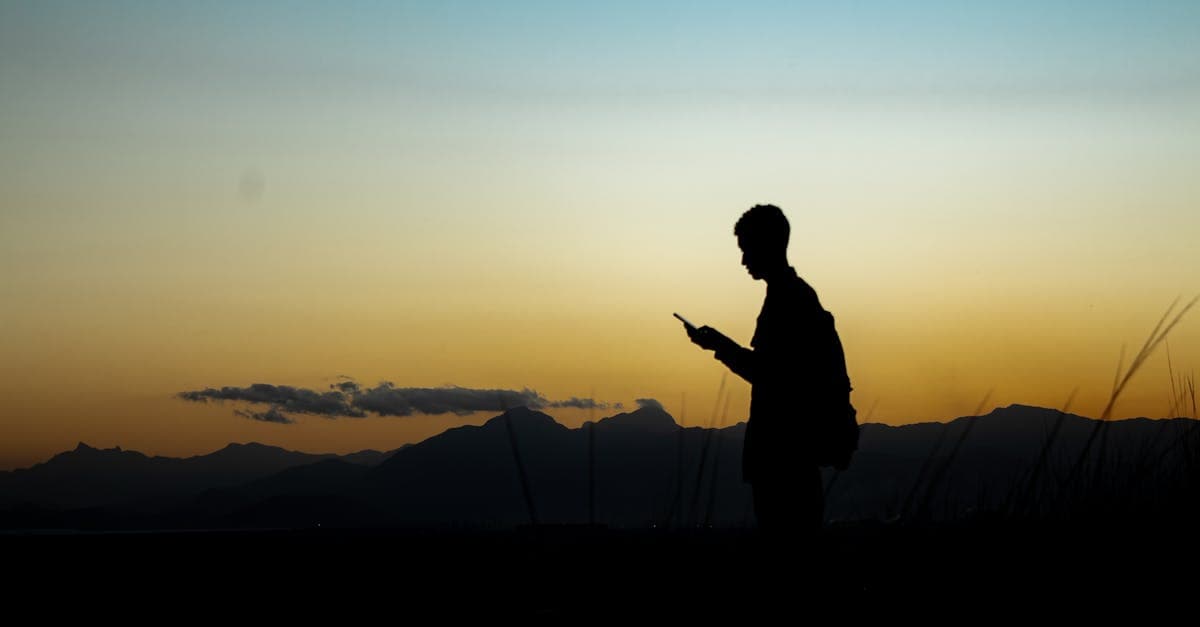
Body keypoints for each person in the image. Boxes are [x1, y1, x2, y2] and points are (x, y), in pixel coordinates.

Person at [683, 204, 849, 534]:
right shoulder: (793, 296)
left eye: (748, 250)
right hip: (791, 456)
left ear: (769, 246)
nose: (744, 261)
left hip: (785, 457)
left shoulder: (789, 301)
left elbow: (772, 376)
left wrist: (719, 346)